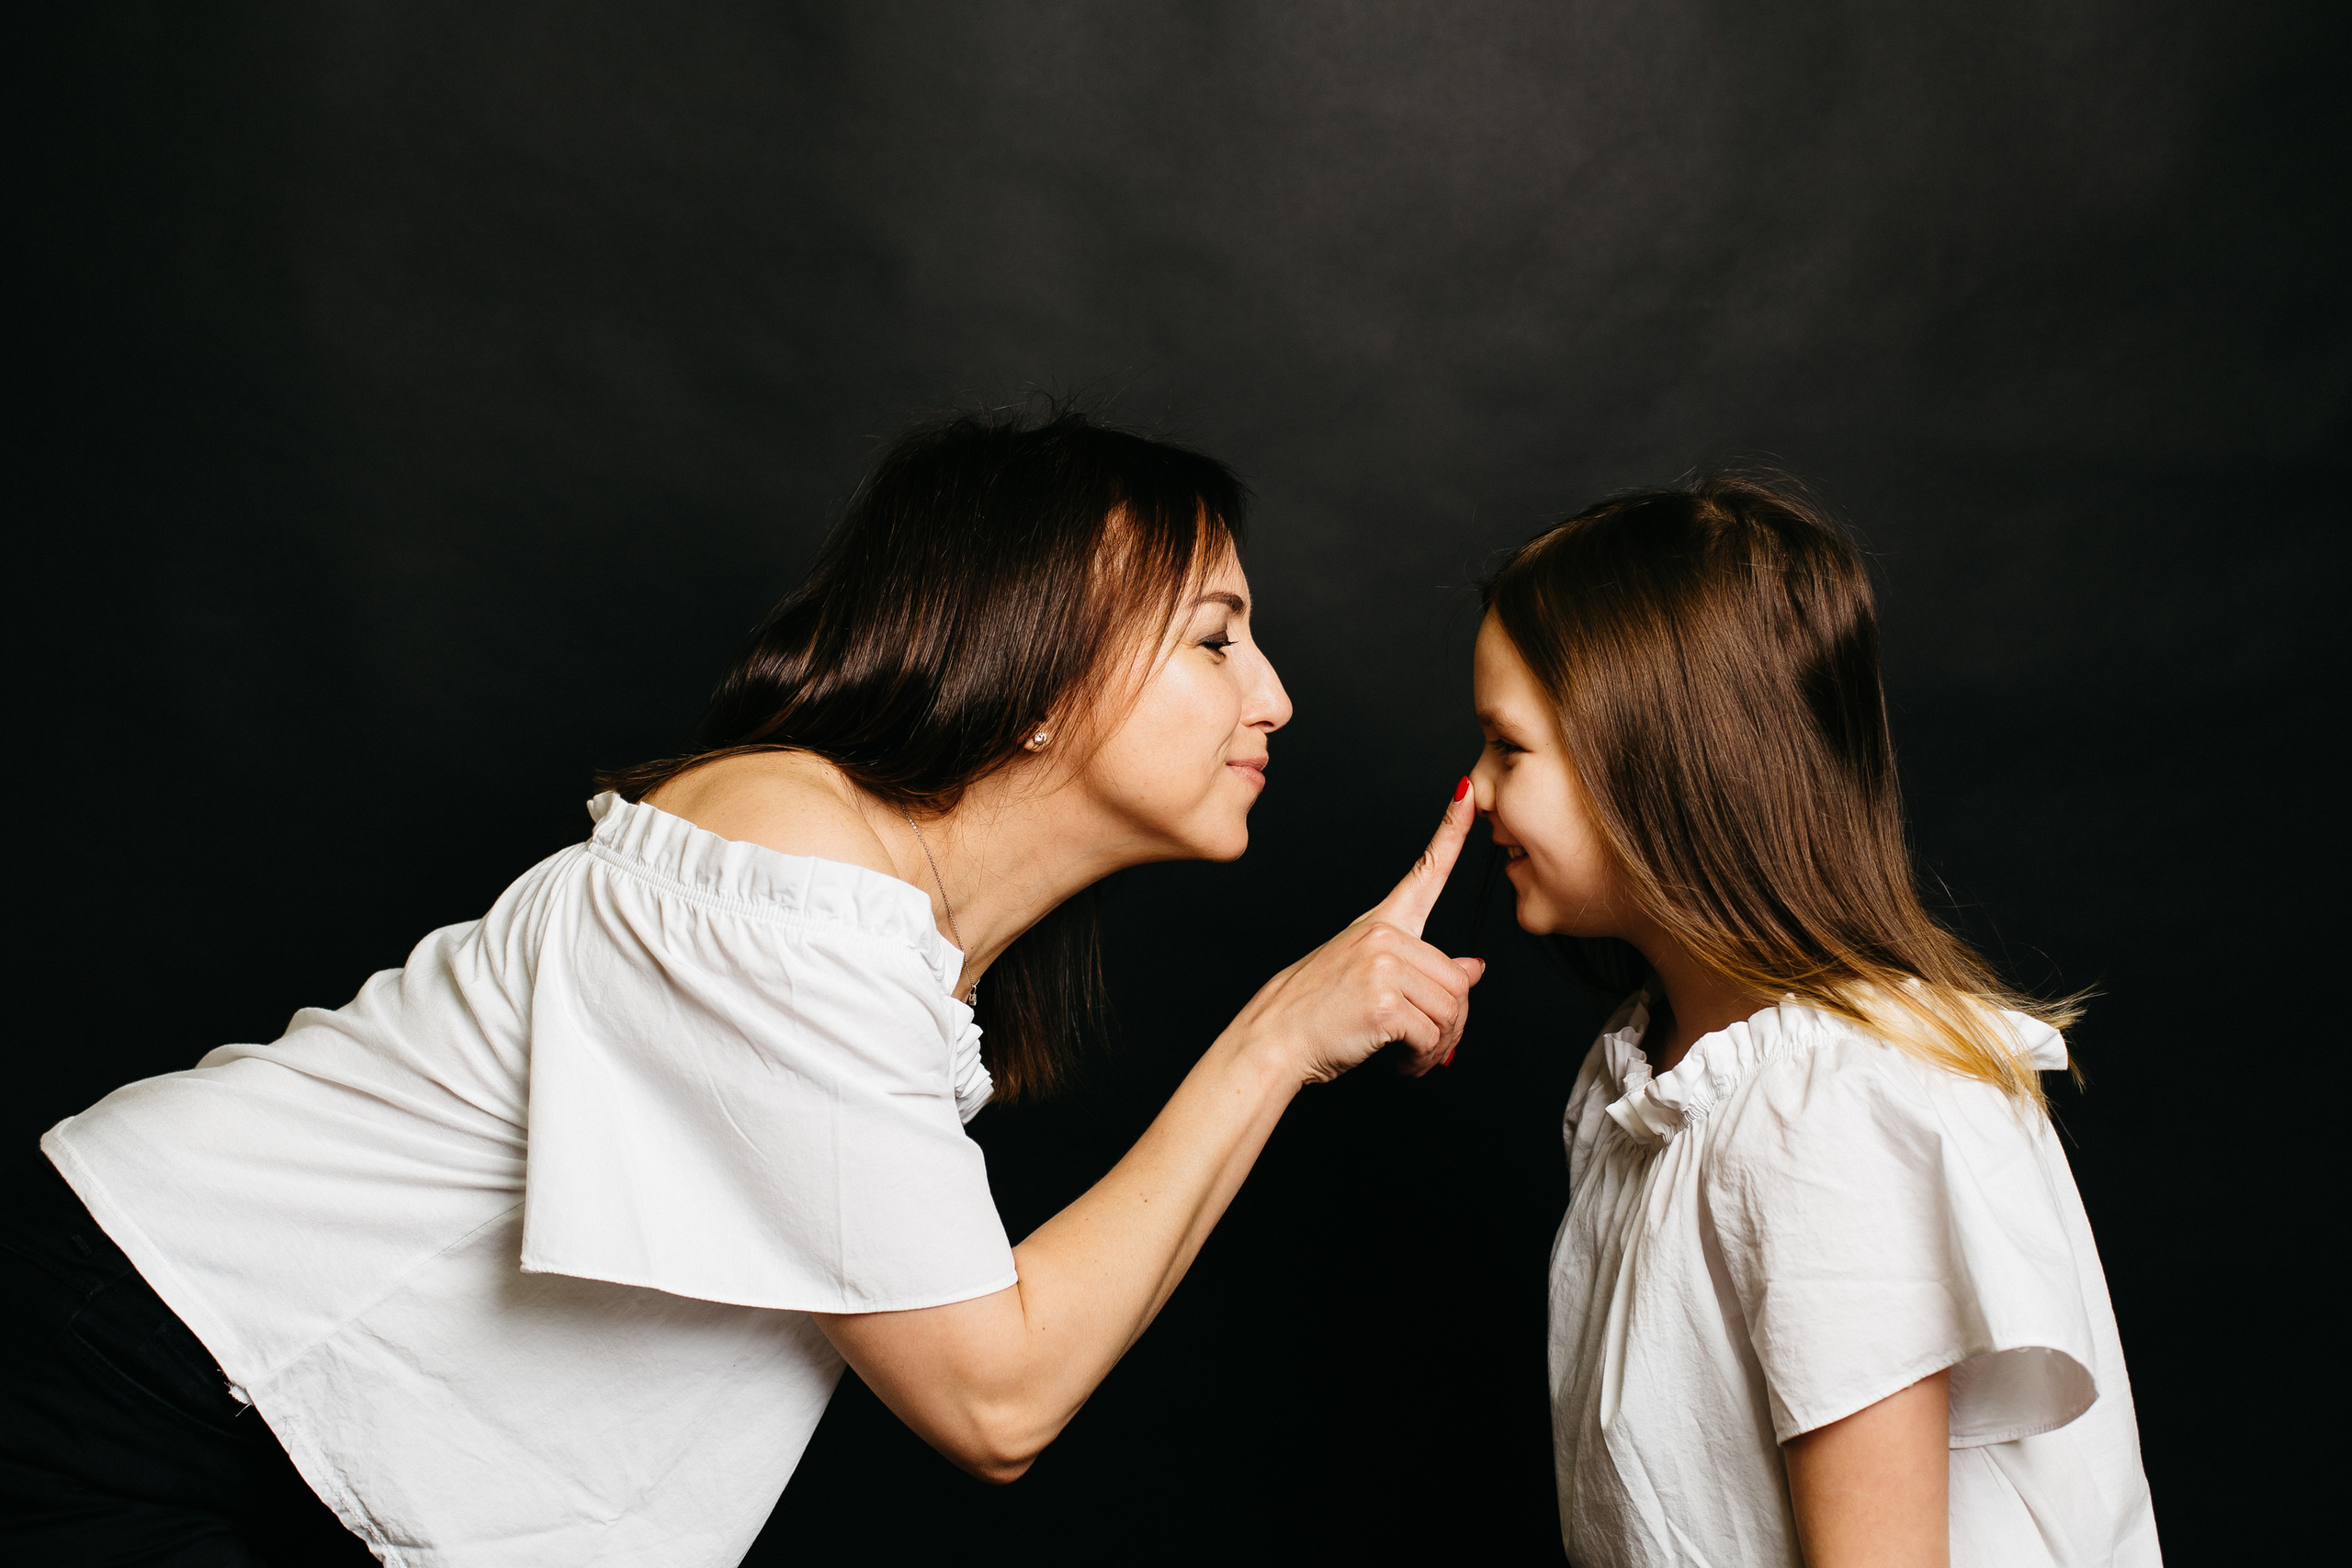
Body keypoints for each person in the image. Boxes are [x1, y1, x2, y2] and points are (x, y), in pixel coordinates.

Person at [2, 408, 1485, 1567]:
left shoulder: (882, 928)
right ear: (1037, 673)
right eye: (1216, 636)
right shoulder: (786, 859)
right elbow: (996, 1399)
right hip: (138, 1370)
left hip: (266, 1430)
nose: (1273, 691)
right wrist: (1277, 1036)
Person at [1468, 472, 2160, 1567]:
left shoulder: (1827, 1118)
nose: (1476, 795)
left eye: (1507, 748)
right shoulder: (1656, 1087)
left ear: (1651, 758)